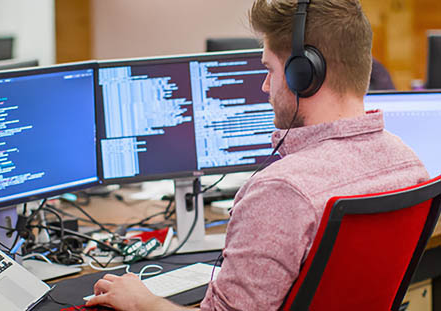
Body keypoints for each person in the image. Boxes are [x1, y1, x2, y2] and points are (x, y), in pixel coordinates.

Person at [86, 0, 429, 310]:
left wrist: (141, 302)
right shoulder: (408, 163)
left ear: (304, 75)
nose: (265, 86)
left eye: (270, 69)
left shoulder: (280, 191)